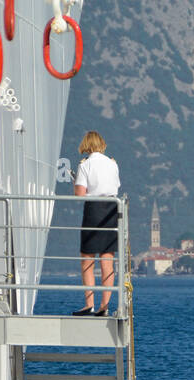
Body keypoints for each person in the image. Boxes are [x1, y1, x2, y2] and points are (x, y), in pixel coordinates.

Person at [72, 131, 120, 317]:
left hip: (93, 210)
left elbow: (80, 194)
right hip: (112, 210)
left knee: (87, 260)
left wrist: (75, 183)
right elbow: (115, 187)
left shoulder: (85, 165)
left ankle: (89, 304)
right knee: (107, 260)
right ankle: (104, 306)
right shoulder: (112, 164)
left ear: (86, 144)